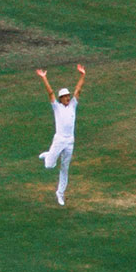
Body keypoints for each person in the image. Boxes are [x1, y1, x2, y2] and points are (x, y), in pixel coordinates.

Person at [36, 65, 86, 206]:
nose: (68, 98)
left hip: (70, 141)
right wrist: (44, 77)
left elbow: (78, 90)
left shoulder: (72, 106)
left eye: (68, 96)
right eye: (65, 97)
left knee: (65, 168)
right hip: (59, 140)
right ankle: (48, 155)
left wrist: (82, 75)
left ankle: (60, 193)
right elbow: (50, 93)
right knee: (49, 166)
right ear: (61, 98)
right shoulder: (56, 107)